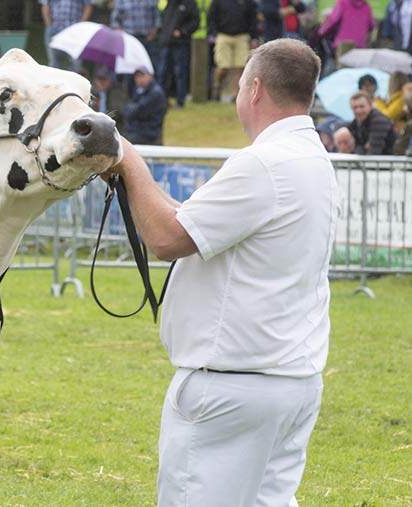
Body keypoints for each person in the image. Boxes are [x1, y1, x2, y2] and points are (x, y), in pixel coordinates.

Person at [104, 38, 337, 506]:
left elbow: (168, 238)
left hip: (232, 385)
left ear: (253, 89)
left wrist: (128, 158)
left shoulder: (263, 163)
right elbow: (192, 221)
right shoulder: (313, 157)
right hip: (290, 380)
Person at [207, 0, 257, 103]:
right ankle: (217, 89)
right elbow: (211, 16)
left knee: (239, 68)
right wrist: (213, 32)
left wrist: (253, 37)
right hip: (223, 35)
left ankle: (236, 96)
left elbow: (252, 18)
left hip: (242, 36)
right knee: (223, 67)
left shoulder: (248, 2)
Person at [157, 0, 199, 108]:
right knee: (163, 73)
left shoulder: (189, 3)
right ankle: (162, 101)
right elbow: (163, 19)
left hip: (181, 44)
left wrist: (183, 32)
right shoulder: (168, 2)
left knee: (180, 73)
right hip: (166, 43)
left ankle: (180, 102)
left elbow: (195, 22)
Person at [109, 0, 162, 77]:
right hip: (129, 42)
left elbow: (158, 19)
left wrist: (152, 34)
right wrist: (123, 37)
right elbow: (115, 22)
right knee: (129, 71)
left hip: (148, 40)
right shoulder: (121, 1)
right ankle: (129, 88)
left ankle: (149, 88)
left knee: (150, 69)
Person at [40, 0, 93, 70]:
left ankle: (73, 81)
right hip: (54, 29)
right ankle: (56, 81)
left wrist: (80, 25)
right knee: (54, 63)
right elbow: (45, 6)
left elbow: (88, 7)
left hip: (75, 31)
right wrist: (49, 25)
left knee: (76, 64)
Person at [122, 66, 167, 144]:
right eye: (137, 76)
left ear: (150, 76)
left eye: (142, 76)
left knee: (125, 142)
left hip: (150, 134)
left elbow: (135, 111)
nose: (139, 79)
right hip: (139, 131)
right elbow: (127, 110)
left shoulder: (155, 93)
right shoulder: (138, 91)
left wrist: (132, 109)